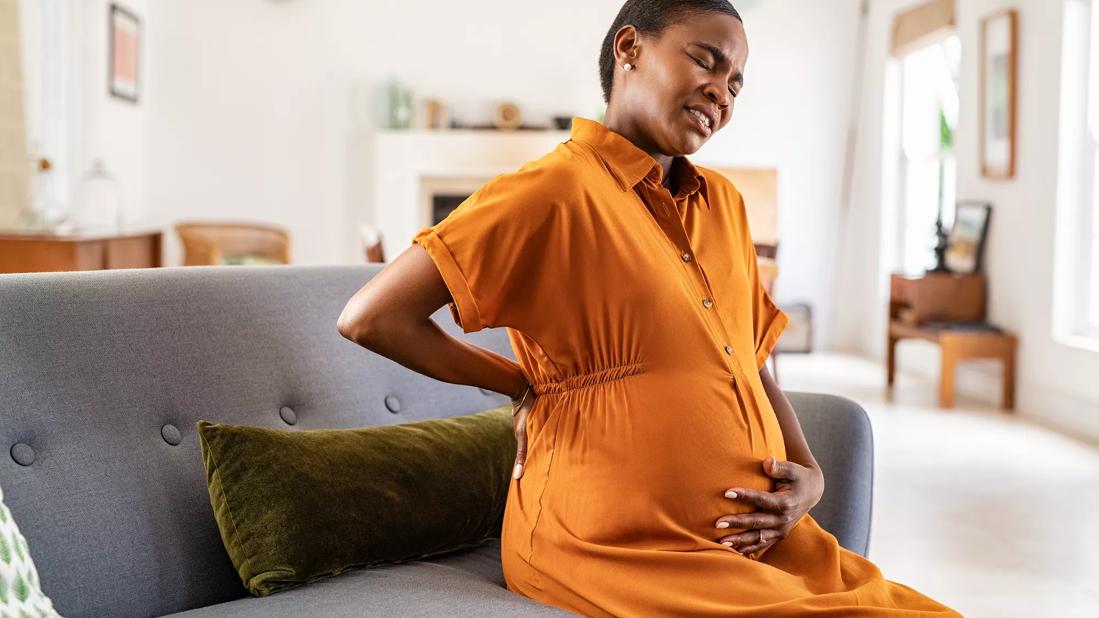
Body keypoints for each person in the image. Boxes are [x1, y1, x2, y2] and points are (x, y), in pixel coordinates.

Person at [337, 1, 963, 615]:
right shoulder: (550, 192)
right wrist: (520, 385)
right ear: (630, 48)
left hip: (757, 545)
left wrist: (811, 472)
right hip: (612, 547)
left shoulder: (724, 203)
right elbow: (372, 316)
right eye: (706, 61)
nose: (722, 92)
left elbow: (749, 357)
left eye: (736, 83)